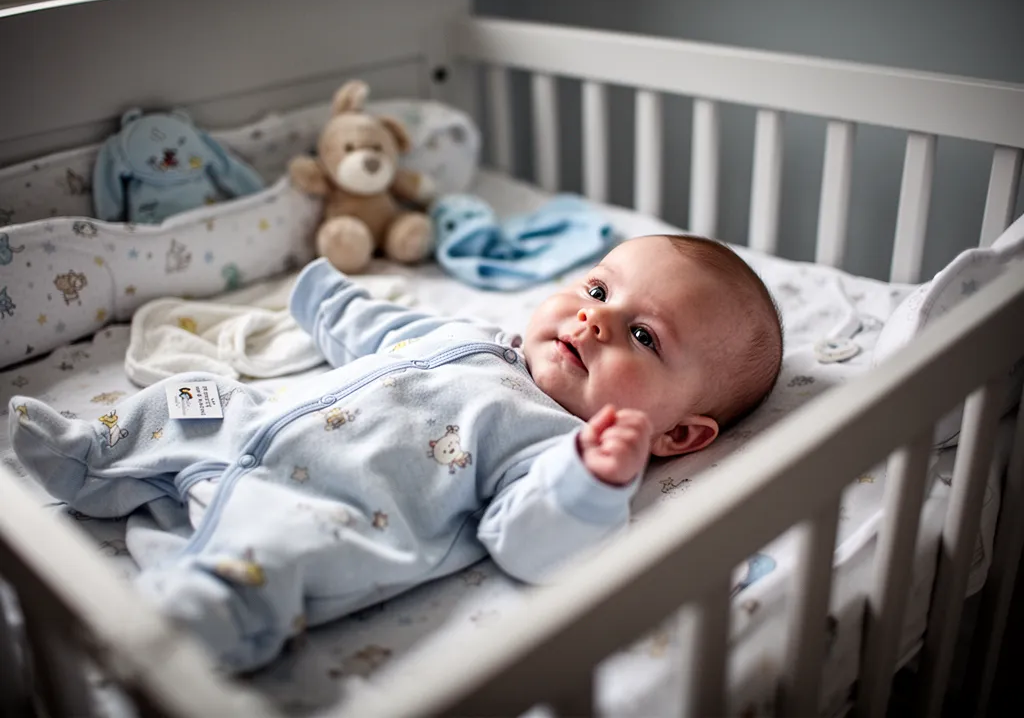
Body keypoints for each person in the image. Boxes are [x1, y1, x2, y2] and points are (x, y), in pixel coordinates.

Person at [8, 233, 782, 673]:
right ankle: (86, 453)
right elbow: (385, 333)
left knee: (265, 566)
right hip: (258, 425)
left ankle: (175, 632)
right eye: (598, 290)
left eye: (643, 337)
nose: (593, 323)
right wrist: (325, 297)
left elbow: (528, 544)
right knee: (190, 401)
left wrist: (592, 482)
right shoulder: (479, 336)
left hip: (316, 513)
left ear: (680, 435)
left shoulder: (553, 448)